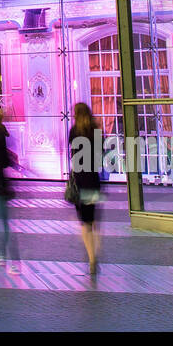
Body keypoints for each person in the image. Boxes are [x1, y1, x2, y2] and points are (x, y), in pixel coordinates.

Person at [68, 102, 104, 278]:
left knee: (84, 223)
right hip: (93, 179)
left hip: (80, 180)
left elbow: (73, 156)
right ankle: (96, 252)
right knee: (93, 220)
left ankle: (91, 258)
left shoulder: (74, 131)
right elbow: (99, 156)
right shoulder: (95, 130)